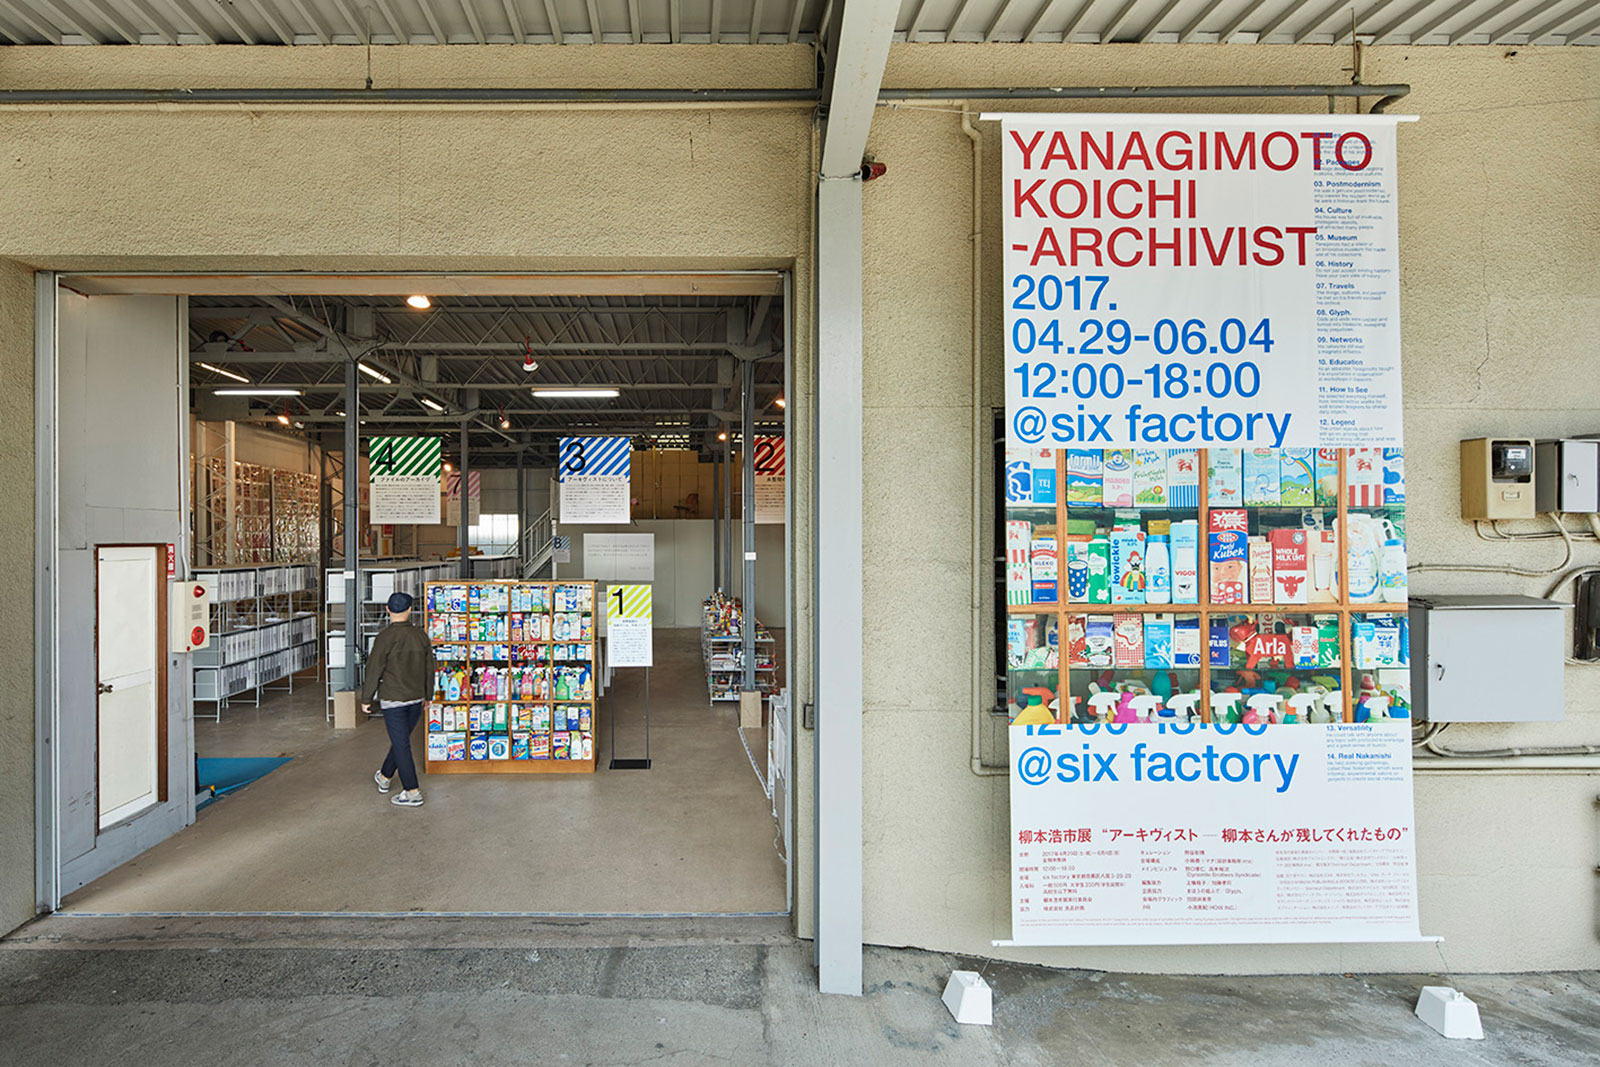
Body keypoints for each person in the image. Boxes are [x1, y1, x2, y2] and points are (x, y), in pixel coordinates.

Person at [361, 591, 435, 807]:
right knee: (400, 742)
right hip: (416, 697)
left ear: (387, 609)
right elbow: (429, 668)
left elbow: (374, 669)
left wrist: (367, 698)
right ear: (410, 610)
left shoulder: (384, 638)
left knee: (401, 745)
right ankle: (385, 776)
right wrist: (428, 695)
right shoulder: (420, 636)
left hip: (393, 699)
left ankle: (412, 792)